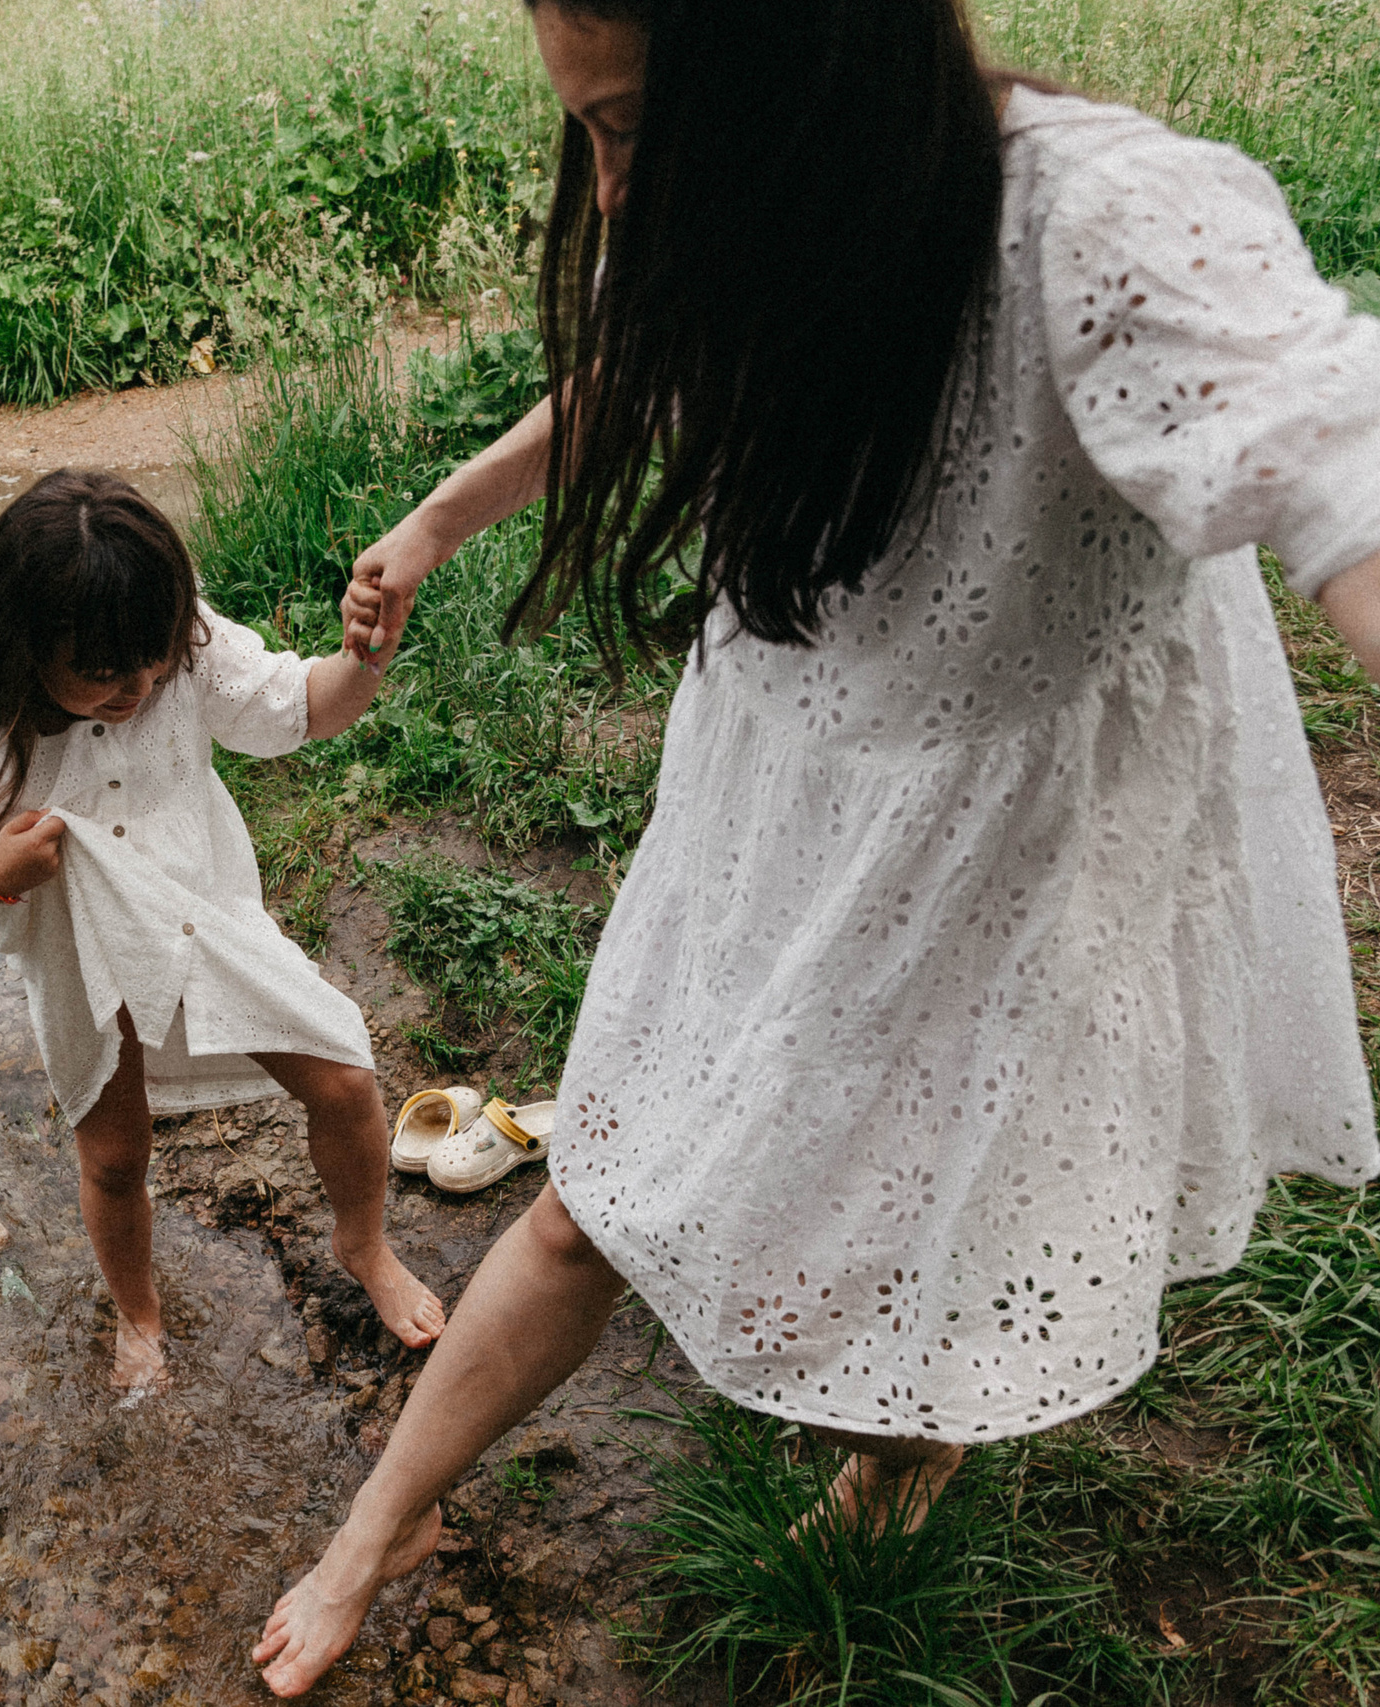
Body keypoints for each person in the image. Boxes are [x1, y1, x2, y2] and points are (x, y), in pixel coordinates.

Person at [255, 0, 1380, 1692]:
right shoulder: (768, 215)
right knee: (601, 1196)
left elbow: (1341, 456)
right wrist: (431, 521)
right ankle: (384, 1520)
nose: (610, 193)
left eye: (632, 128)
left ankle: (892, 1463)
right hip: (787, 775)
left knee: (960, 1192)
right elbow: (641, 368)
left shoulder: (1111, 226)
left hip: (1018, 835)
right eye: (588, 134)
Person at [0, 468, 448, 1392]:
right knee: (115, 1155)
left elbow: (300, 708)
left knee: (345, 1075)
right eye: (101, 675)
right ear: (26, 646)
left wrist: (364, 658)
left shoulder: (177, 646)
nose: (136, 688)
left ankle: (365, 1245)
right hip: (82, 958)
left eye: (149, 664)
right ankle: (138, 1311)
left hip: (203, 918)